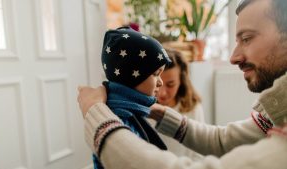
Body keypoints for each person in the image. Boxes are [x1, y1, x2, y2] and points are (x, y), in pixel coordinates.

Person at [78, 0, 287, 168]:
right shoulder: (275, 116)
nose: (233, 57)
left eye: (247, 38)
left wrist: (95, 113)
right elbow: (223, 141)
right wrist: (160, 113)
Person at [90, 26, 171, 169]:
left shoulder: (128, 108)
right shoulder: (121, 117)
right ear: (132, 76)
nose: (161, 82)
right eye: (155, 74)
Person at [150, 48, 205, 159]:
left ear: (181, 81)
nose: (162, 93)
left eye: (170, 85)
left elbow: (200, 151)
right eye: (157, 83)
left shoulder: (193, 107)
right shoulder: (142, 108)